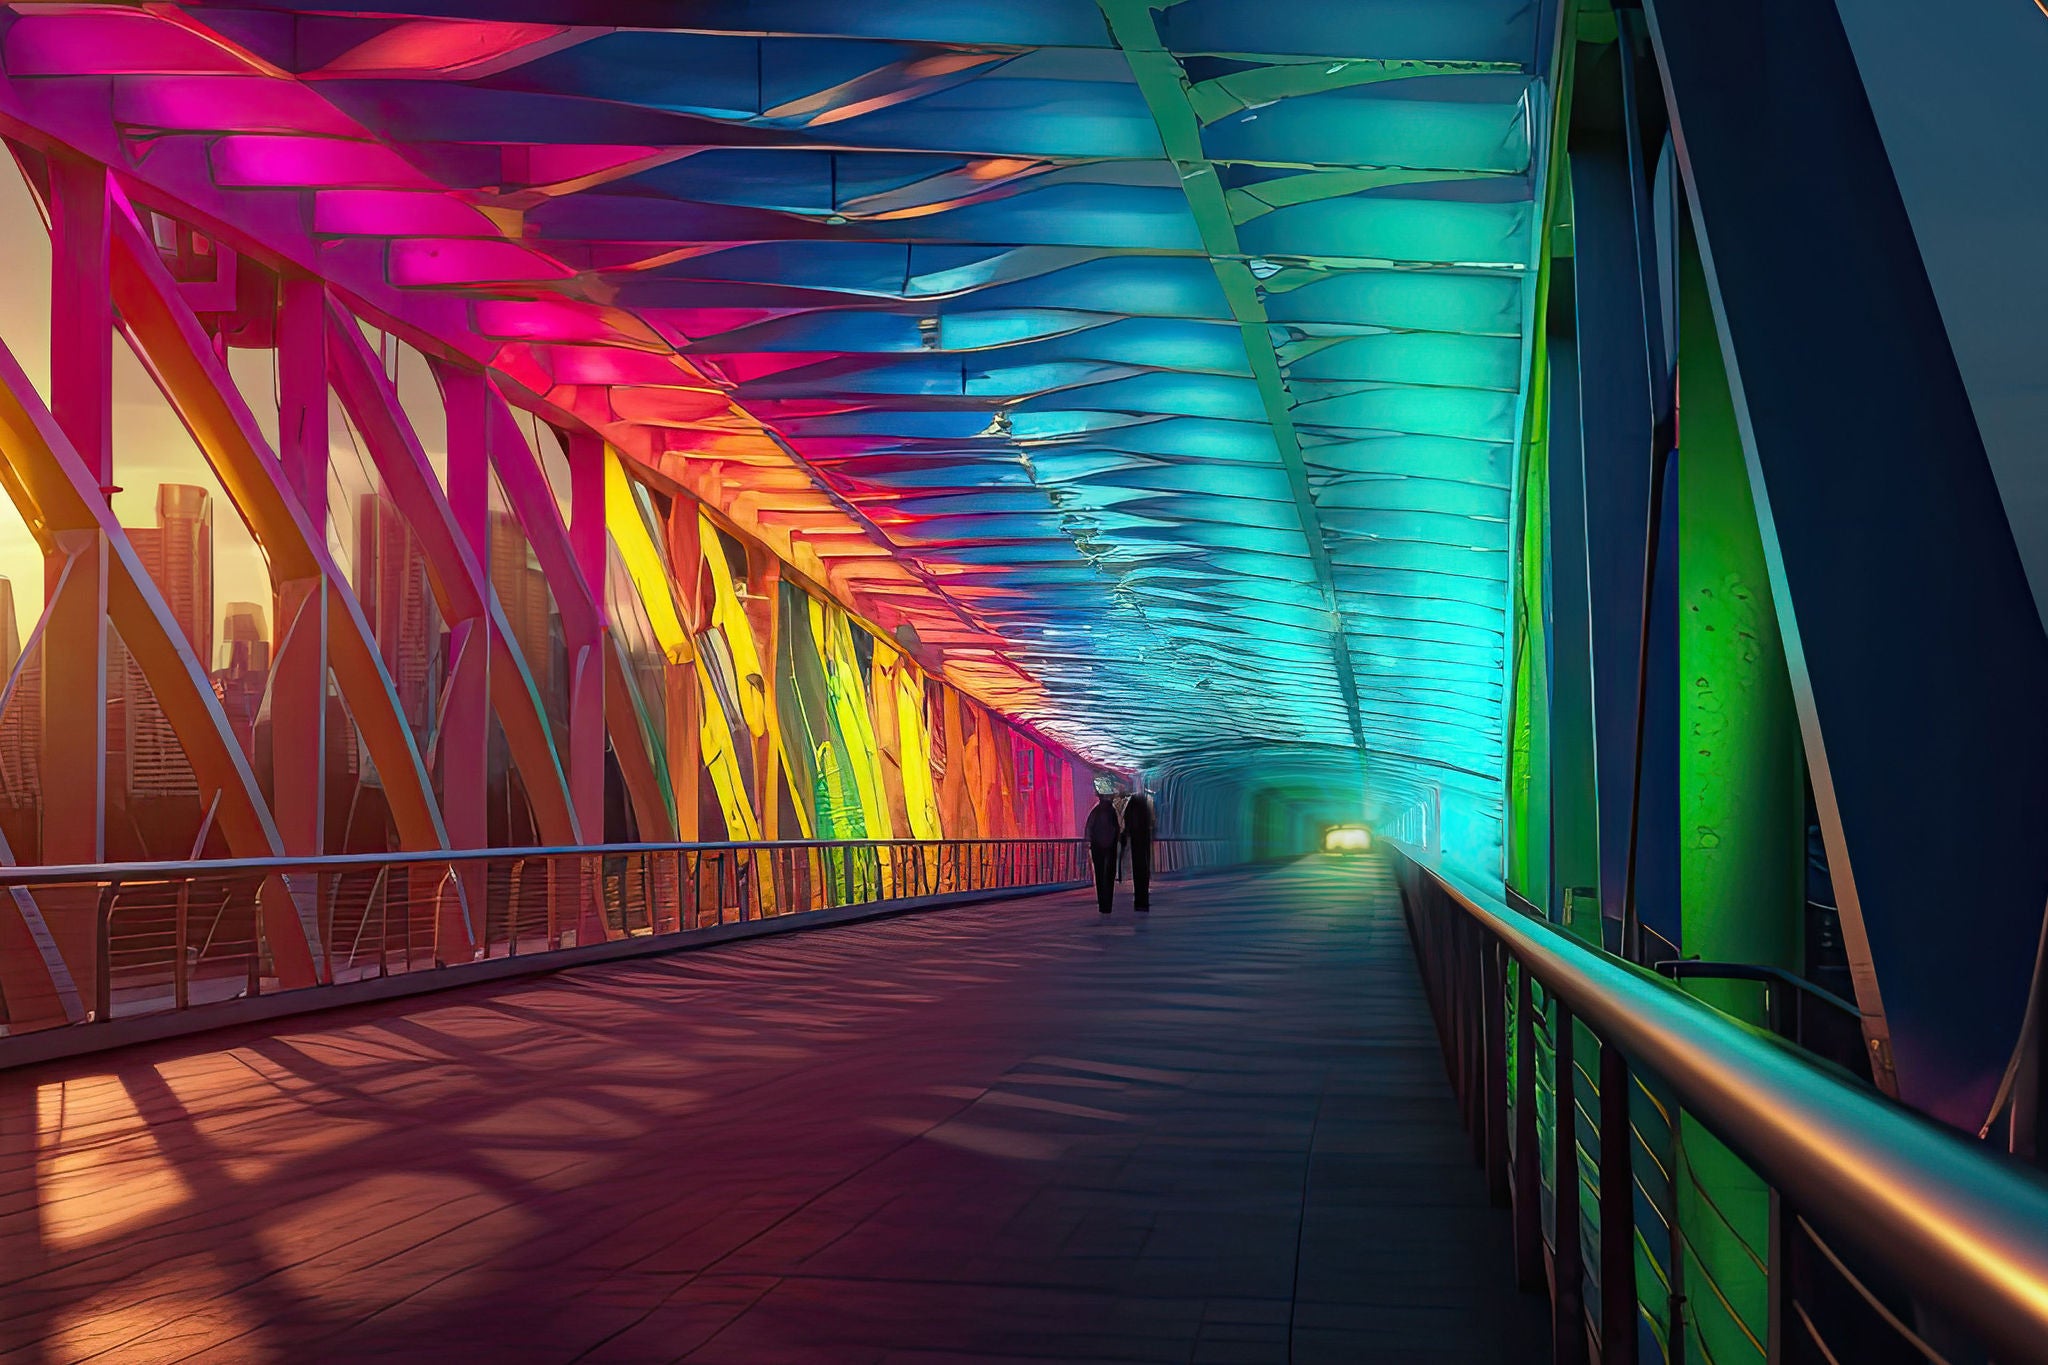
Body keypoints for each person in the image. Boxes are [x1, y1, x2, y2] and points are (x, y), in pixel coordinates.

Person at [1085, 786, 1122, 915]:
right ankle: (1107, 905)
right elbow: (1117, 829)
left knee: (1100, 875)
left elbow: (1089, 828)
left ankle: (1102, 904)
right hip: (1110, 848)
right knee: (1109, 876)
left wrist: (1090, 842)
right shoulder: (1112, 812)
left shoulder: (1095, 811)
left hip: (1097, 848)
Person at [1123, 789, 1155, 912]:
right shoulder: (1146, 803)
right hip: (1144, 839)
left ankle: (1139, 901)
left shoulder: (1132, 803)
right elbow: (1152, 821)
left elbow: (1127, 820)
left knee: (1137, 870)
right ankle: (1144, 900)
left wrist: (1127, 834)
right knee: (1144, 870)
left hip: (1135, 840)